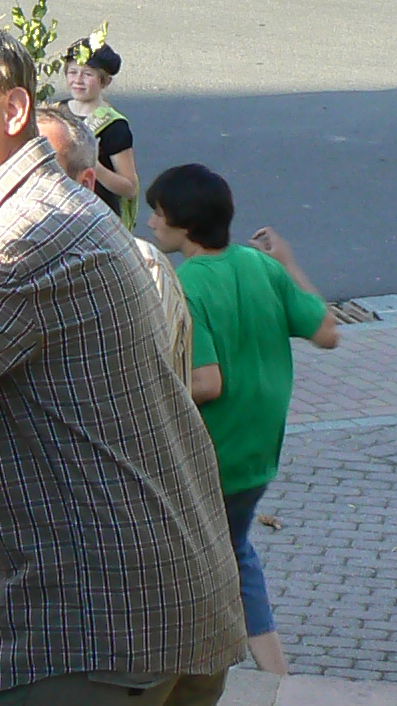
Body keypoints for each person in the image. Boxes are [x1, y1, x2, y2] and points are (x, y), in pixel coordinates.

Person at [0, 23, 245, 705]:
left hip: (85, 630)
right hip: (154, 610)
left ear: (15, 110)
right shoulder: (65, 210)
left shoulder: (23, 237)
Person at [144, 166, 339, 679]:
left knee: (189, 556)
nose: (150, 222)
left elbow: (207, 383)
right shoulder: (262, 267)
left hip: (212, 454)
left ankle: (185, 667)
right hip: (258, 453)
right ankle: (273, 674)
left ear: (181, 224)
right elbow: (326, 333)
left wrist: (141, 394)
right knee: (234, 551)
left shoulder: (185, 284)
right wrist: (290, 263)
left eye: (158, 214)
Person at [66, 42, 137, 224]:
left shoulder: (114, 126)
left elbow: (130, 187)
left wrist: (95, 166)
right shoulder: (57, 112)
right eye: (73, 71)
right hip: (62, 211)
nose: (78, 80)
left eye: (87, 74)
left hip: (97, 218)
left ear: (105, 81)